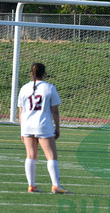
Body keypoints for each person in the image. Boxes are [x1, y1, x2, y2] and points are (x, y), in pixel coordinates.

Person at [17, 63, 71, 193]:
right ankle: (56, 185)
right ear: (44, 73)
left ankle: (31, 185)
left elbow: (21, 112)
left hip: (27, 125)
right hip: (43, 125)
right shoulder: (50, 88)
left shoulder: (24, 88)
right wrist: (58, 127)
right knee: (51, 156)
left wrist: (22, 130)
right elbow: (55, 111)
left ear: (32, 73)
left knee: (30, 155)